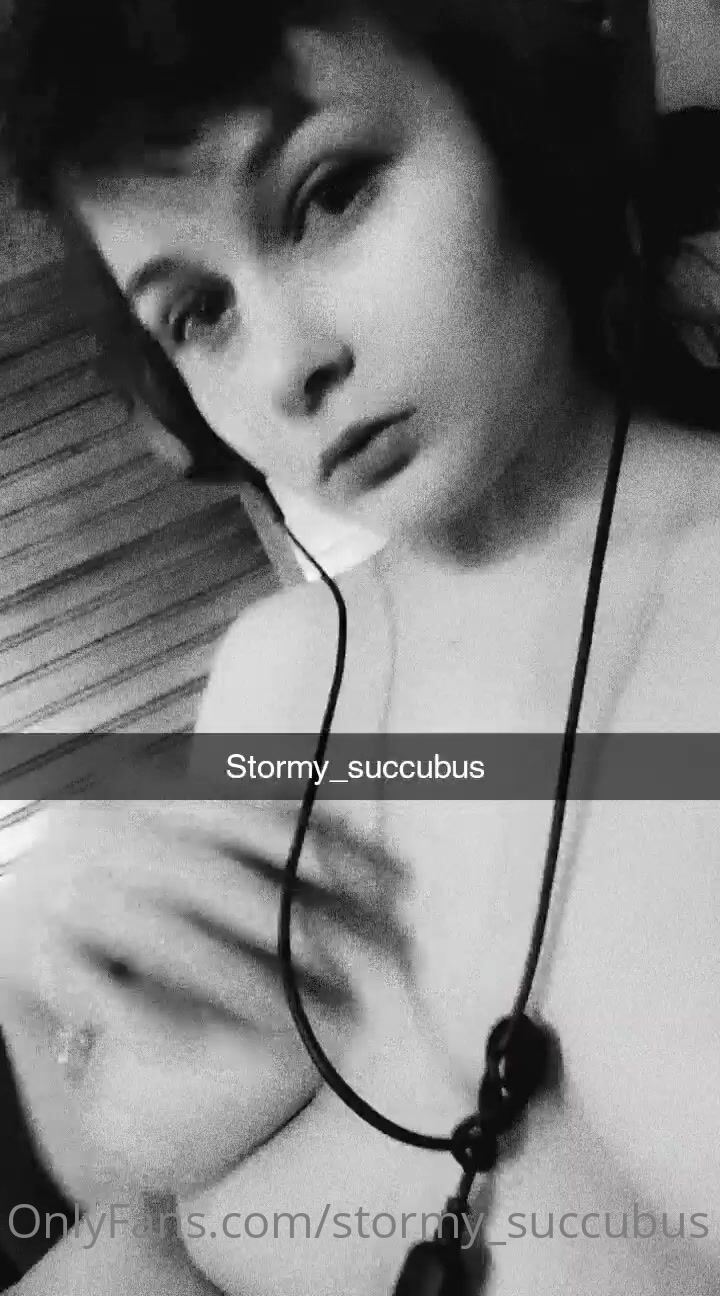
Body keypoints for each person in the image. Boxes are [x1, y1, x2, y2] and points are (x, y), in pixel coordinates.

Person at [0, 1, 719, 1293]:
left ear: (523, 125)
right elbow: (138, 1174)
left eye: (330, 193)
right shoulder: (275, 671)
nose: (288, 366)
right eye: (199, 313)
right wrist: (43, 981)